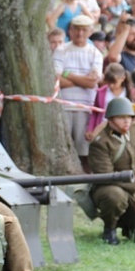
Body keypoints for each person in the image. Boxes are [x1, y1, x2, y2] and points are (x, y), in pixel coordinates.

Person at [89, 97, 135, 244]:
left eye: (129, 117)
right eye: (121, 117)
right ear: (110, 119)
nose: (127, 121)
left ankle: (129, 224)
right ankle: (110, 229)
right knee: (114, 195)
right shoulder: (100, 143)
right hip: (110, 189)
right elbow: (106, 177)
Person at [53, 14, 104, 170]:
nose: (80, 34)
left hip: (86, 107)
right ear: (71, 30)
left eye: (84, 30)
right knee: (63, 150)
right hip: (64, 106)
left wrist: (68, 74)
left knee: (84, 151)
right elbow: (56, 79)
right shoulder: (61, 50)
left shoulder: (95, 53)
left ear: (90, 31)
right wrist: (83, 80)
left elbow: (92, 83)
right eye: (77, 29)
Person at [86, 63, 130, 140]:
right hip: (103, 128)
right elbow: (95, 111)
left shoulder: (129, 93)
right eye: (109, 83)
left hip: (122, 128)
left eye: (114, 82)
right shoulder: (101, 92)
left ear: (123, 78)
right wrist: (90, 128)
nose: (111, 86)